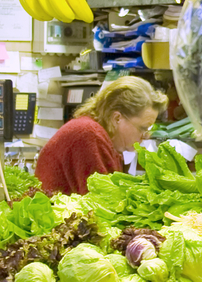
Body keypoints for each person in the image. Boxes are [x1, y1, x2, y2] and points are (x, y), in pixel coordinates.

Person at [36, 75, 164, 195]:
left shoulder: (97, 134)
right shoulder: (88, 135)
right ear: (117, 118)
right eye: (143, 128)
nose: (146, 136)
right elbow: (102, 202)